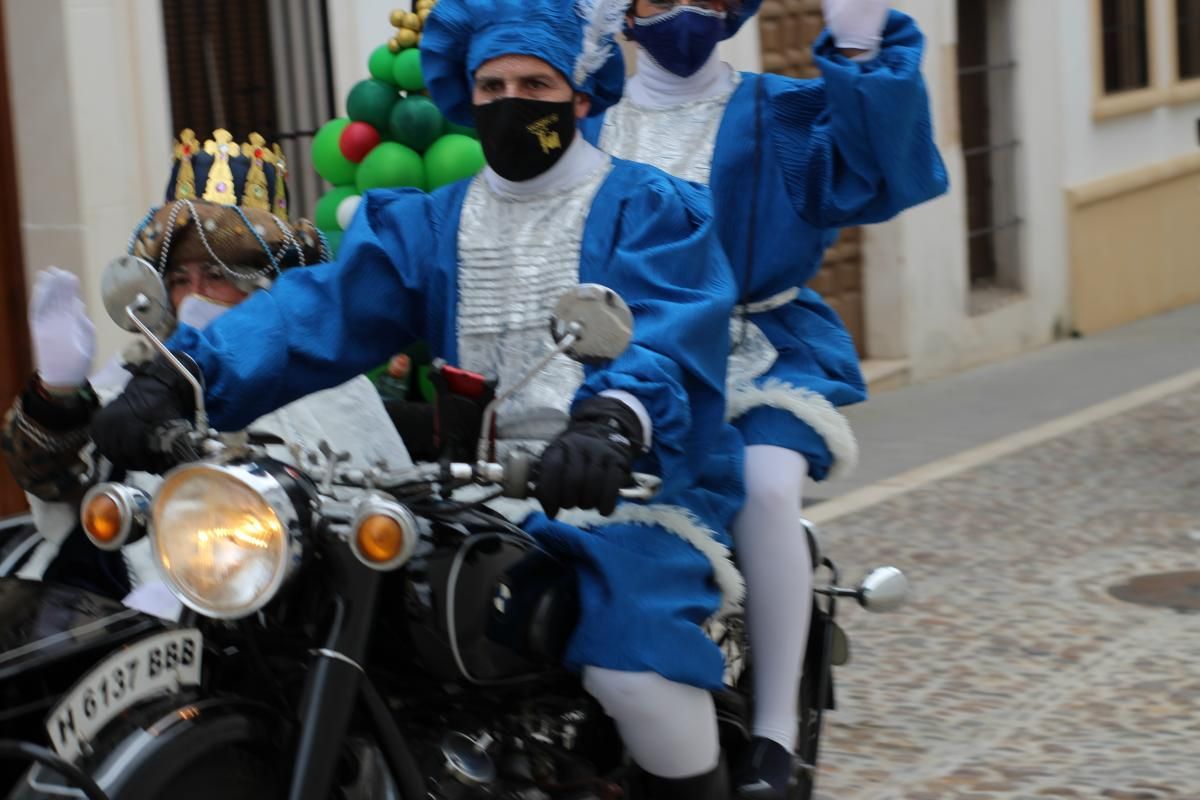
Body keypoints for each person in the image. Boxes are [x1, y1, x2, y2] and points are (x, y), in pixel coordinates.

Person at [90, 0, 744, 795]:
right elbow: (319, 311)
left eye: (535, 83)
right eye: (493, 83)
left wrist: (613, 420)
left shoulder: (648, 206)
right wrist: (180, 376)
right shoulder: (432, 222)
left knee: (634, 670)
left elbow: (668, 332)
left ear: (579, 94)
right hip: (476, 492)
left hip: (630, 488)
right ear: (468, 96)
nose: (512, 101)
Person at [579, 0, 948, 795]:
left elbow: (880, 167)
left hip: (759, 347)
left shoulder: (780, 111)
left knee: (766, 489)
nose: (681, 10)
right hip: (625, 358)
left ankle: (776, 731)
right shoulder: (585, 122)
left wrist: (859, 53)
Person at [0, 129, 413, 610]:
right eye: (179, 279)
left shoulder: (331, 384)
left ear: (268, 288)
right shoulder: (140, 382)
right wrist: (58, 395)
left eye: (217, 275)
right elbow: (57, 484)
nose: (195, 294)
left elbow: (375, 518)